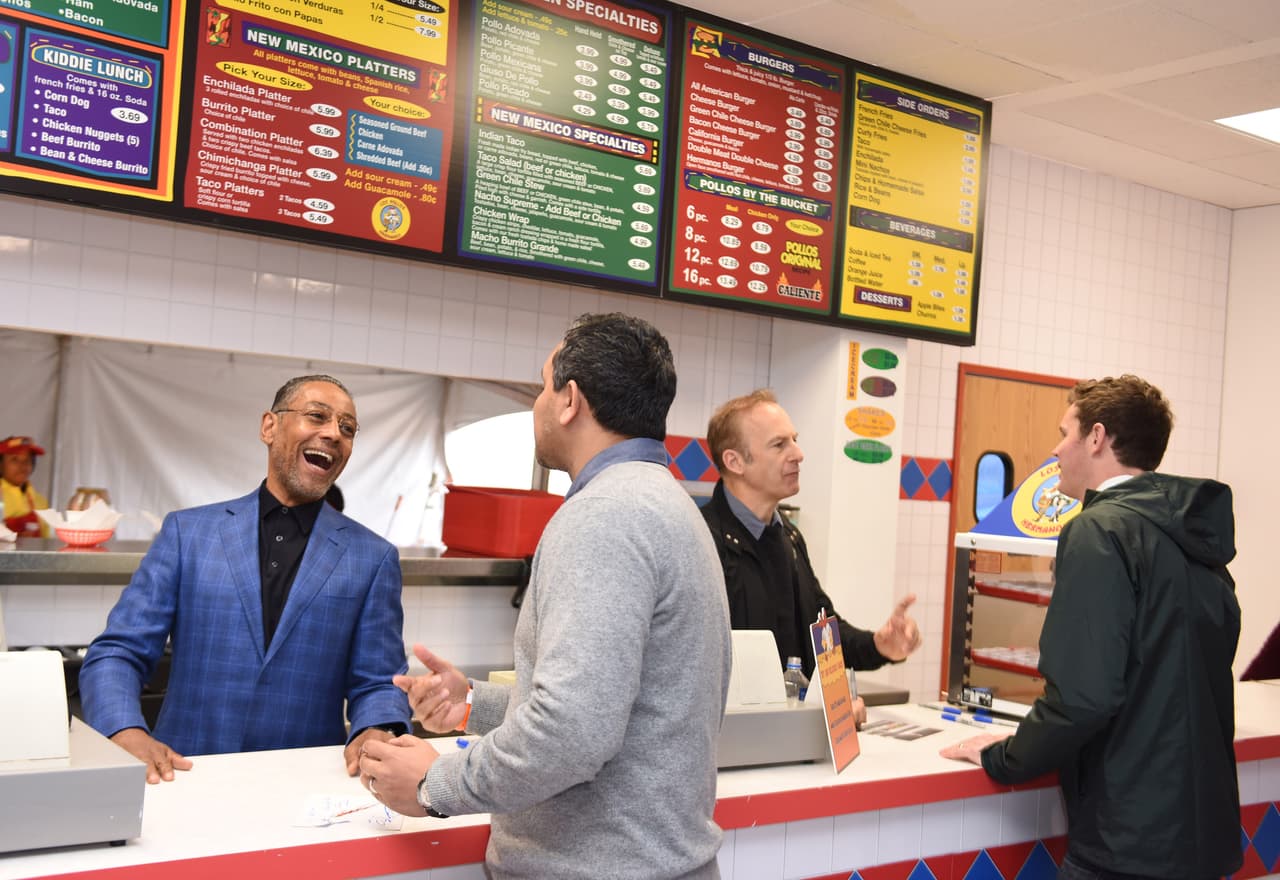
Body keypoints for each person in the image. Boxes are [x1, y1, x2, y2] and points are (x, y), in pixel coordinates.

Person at [357, 314, 733, 879]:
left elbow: (571, 735)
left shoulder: (604, 516)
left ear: (569, 400)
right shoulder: (668, 503)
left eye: (542, 385)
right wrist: (473, 706)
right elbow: (612, 706)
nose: (537, 403)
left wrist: (432, 784)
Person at [940, 374, 1241, 880]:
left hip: (1128, 843)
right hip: (1204, 836)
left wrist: (1003, 757)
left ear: (1097, 438)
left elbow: (1084, 697)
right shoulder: (1194, 536)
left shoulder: (1099, 530)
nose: (1056, 449)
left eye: (1066, 432)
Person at [80, 375, 411, 783]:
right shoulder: (189, 533)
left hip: (307, 783)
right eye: (317, 416)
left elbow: (379, 681)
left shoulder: (372, 557)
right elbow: (119, 651)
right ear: (269, 427)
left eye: (347, 428)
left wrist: (376, 728)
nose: (333, 433)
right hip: (182, 772)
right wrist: (124, 730)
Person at [701, 389, 922, 686]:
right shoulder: (703, 542)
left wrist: (879, 646)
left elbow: (823, 635)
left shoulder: (789, 538)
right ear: (735, 461)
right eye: (779, 445)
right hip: (732, 730)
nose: (798, 454)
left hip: (789, 728)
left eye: (794, 439)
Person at [1, 435, 50, 537]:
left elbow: (45, 543)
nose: (22, 465)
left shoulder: (40, 501)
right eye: (14, 459)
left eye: (28, 460)